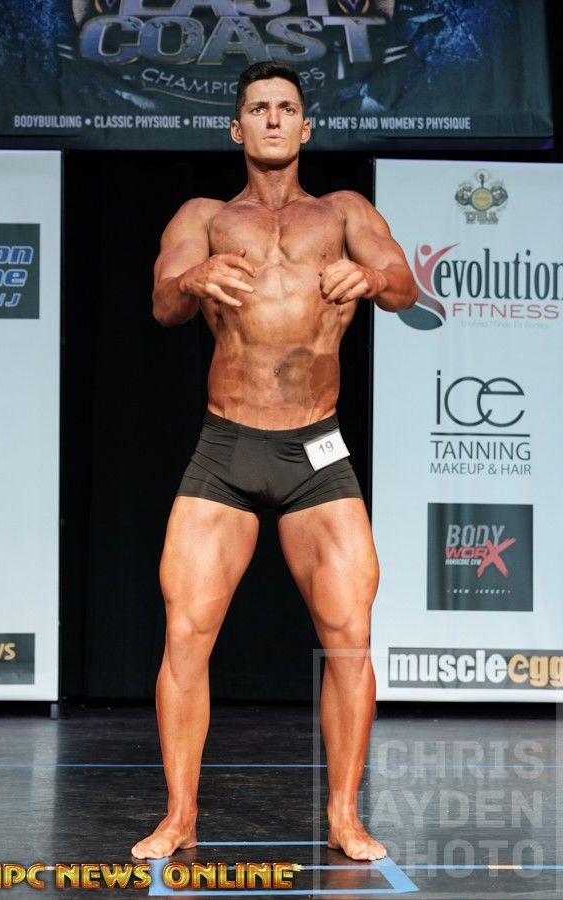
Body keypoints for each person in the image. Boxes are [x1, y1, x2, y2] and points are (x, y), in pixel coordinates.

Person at [131, 61, 417, 863]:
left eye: (286, 108)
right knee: (186, 635)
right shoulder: (204, 217)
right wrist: (195, 278)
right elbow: (161, 304)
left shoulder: (345, 211)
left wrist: (372, 276)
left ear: (305, 127)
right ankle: (179, 816)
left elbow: (405, 285)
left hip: (316, 451)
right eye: (257, 108)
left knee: (349, 635)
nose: (271, 119)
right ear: (236, 127)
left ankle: (345, 815)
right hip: (226, 448)